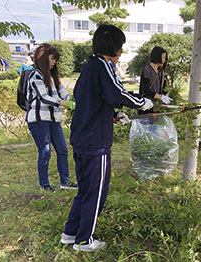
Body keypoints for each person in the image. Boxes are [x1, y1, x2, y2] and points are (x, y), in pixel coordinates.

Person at [60, 24, 153, 252]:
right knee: (96, 191)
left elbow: (93, 101)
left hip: (83, 138)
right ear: (111, 46)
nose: (121, 51)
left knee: (85, 189)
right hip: (95, 142)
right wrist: (142, 102)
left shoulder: (90, 67)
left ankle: (70, 233)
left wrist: (114, 114)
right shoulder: (103, 66)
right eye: (120, 46)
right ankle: (84, 241)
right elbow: (116, 93)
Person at [26, 43, 77, 193]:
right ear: (43, 58)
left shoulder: (53, 77)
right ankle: (44, 185)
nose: (54, 62)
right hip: (39, 120)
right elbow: (43, 97)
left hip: (54, 120)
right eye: (52, 59)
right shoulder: (35, 75)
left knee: (62, 150)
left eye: (56, 60)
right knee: (45, 151)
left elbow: (64, 93)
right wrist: (64, 103)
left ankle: (65, 182)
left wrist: (74, 100)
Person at [138, 46, 172, 114]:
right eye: (163, 57)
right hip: (146, 105)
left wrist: (166, 95)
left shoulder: (161, 72)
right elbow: (146, 90)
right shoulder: (147, 70)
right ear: (157, 56)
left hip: (157, 107)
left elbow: (164, 87)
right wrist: (161, 97)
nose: (165, 60)